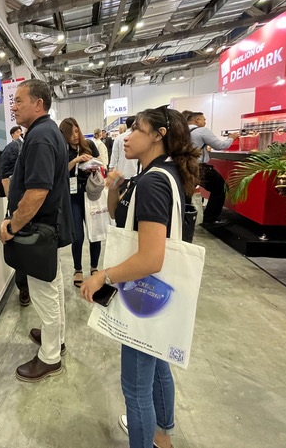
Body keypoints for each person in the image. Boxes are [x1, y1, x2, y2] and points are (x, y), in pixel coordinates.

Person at [81, 105, 200, 448]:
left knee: (135, 389)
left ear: (158, 136)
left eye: (136, 129)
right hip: (158, 293)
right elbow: (121, 218)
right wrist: (115, 188)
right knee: (157, 360)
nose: (126, 136)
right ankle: (162, 433)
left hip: (143, 291)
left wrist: (102, 276)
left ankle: (149, 437)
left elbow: (150, 258)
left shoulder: (152, 182)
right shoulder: (159, 175)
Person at [0, 79, 73, 382]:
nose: (13, 107)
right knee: (52, 286)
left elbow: (37, 191)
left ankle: (50, 357)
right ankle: (57, 338)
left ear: (38, 104)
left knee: (45, 293)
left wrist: (12, 226)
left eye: (19, 100)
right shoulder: (45, 131)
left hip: (38, 230)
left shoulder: (41, 137)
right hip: (47, 227)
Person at [60, 118, 102, 287]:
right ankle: (78, 269)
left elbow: (101, 163)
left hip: (91, 194)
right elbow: (60, 172)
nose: (75, 136)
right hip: (73, 196)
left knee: (95, 233)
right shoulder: (62, 149)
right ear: (65, 134)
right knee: (77, 235)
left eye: (77, 131)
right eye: (71, 133)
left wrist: (93, 165)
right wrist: (76, 161)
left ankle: (94, 267)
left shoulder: (89, 144)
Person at [186, 111, 240, 225]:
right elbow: (220, 146)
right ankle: (210, 219)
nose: (205, 122)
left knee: (186, 193)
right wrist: (231, 138)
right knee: (220, 188)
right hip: (199, 168)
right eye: (203, 119)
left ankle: (186, 219)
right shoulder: (202, 131)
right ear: (197, 120)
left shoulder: (181, 131)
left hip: (184, 167)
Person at [0, 125, 30, 307]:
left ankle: (33, 283)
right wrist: (13, 205)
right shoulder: (13, 148)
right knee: (21, 245)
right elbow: (5, 176)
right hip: (21, 205)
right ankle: (23, 287)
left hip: (39, 203)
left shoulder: (35, 144)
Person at [109, 116, 139, 186]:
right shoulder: (139, 137)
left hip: (121, 174)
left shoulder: (119, 138)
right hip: (136, 173)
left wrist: (111, 168)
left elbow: (114, 155)